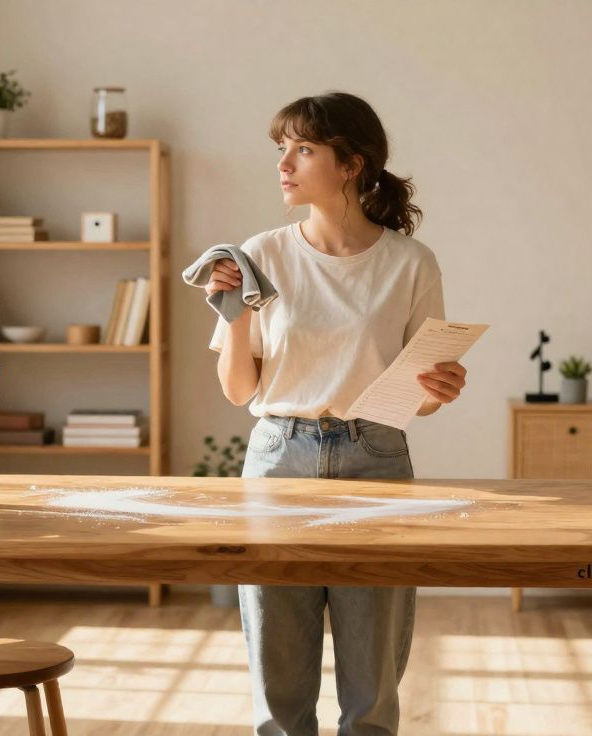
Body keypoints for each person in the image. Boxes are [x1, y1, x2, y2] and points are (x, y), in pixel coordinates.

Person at [204, 91, 468, 736]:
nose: (283, 164)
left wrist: (442, 386)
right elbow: (240, 390)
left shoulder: (410, 262)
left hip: (375, 457)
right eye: (281, 150)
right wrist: (232, 316)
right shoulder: (260, 254)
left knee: (372, 683)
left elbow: (422, 398)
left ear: (351, 164)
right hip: (278, 458)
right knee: (279, 673)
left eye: (303, 149)